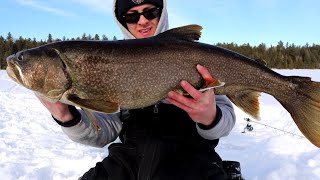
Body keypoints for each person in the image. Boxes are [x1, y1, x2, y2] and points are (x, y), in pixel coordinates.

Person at [37, 0, 236, 179]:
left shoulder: (197, 58)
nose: (142, 21)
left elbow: (226, 121)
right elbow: (102, 133)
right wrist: (66, 117)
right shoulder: (107, 62)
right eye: (132, 16)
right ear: (123, 21)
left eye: (150, 12)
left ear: (161, 13)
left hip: (193, 161)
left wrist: (210, 117)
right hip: (128, 163)